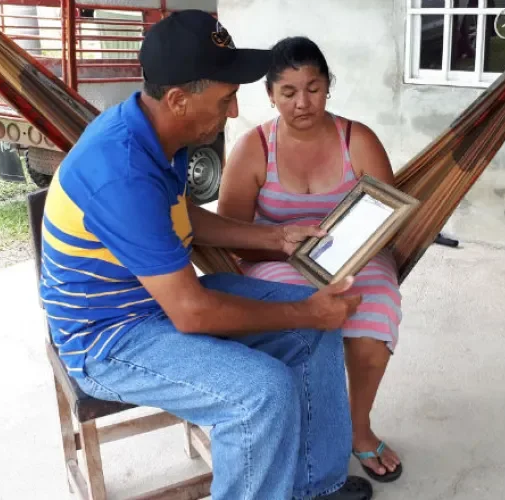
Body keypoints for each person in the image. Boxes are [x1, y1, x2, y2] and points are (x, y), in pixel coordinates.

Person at [38, 11, 373, 500]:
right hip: (108, 338)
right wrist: (306, 307)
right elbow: (192, 312)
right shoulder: (122, 170)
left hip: (156, 302)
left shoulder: (156, 133)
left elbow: (181, 216)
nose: (234, 112)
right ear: (177, 99)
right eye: (225, 98)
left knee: (314, 331)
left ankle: (314, 486)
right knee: (260, 394)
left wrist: (275, 239)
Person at [217, 36, 404, 483]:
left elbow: (390, 212)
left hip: (358, 257)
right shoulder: (254, 148)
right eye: (288, 92)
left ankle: (358, 429)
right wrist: (282, 241)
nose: (303, 102)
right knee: (302, 324)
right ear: (270, 95)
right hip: (273, 255)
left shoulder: (356, 140)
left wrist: (354, 249)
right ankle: (309, 431)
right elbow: (232, 234)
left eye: (314, 88)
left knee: (373, 318)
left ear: (328, 87)